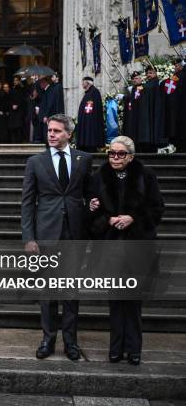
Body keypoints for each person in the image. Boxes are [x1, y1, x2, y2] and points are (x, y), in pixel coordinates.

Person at [21, 114, 93, 361]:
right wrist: (29, 238)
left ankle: (70, 342)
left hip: (74, 234)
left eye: (57, 131)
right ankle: (48, 339)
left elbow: (88, 195)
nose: (51, 134)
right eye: (50, 130)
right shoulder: (35, 162)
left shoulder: (84, 160)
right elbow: (27, 203)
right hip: (45, 235)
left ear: (68, 134)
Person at [88, 136, 164, 365]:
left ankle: (134, 350)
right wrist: (107, 219)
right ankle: (115, 348)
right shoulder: (98, 177)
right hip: (111, 247)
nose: (115, 157)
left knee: (133, 302)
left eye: (120, 154)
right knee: (115, 302)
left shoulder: (146, 176)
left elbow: (157, 208)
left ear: (130, 156)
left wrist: (133, 218)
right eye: (112, 153)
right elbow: (91, 215)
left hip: (137, 246)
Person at [138, 65, 166, 152]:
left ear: (155, 73)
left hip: (155, 110)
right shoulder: (148, 84)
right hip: (148, 111)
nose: (148, 75)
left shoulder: (156, 83)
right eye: (147, 73)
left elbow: (146, 88)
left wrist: (140, 88)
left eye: (150, 73)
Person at [76, 77, 105, 152]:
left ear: (88, 83)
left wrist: (86, 120)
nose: (82, 84)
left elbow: (92, 109)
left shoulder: (94, 92)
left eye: (83, 82)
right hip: (86, 122)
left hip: (91, 123)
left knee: (90, 142)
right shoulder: (88, 92)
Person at [38, 76, 64, 141]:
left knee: (48, 135)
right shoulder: (46, 90)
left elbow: (50, 104)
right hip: (46, 116)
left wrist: (46, 115)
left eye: (41, 83)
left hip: (48, 117)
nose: (40, 85)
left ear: (44, 82)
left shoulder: (50, 90)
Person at [122, 72, 144, 140]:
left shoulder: (141, 88)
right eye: (134, 79)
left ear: (141, 79)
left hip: (139, 114)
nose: (135, 80)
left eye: (137, 78)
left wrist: (124, 97)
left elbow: (135, 99)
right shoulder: (134, 88)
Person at [8, 79, 26, 143]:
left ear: (19, 81)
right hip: (12, 110)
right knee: (12, 127)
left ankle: (19, 142)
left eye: (16, 80)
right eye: (14, 80)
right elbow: (9, 99)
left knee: (19, 127)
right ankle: (13, 142)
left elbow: (22, 99)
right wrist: (12, 105)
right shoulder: (11, 90)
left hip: (19, 110)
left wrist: (17, 105)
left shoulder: (22, 89)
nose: (15, 82)